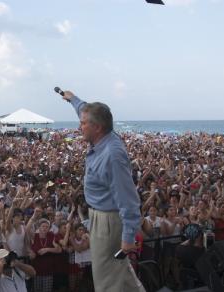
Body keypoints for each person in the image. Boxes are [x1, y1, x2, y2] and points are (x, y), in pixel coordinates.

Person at [62, 90, 145, 292]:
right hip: (102, 217)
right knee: (120, 276)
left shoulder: (112, 155)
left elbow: (129, 200)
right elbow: (84, 110)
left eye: (83, 124)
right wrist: (73, 99)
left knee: (108, 281)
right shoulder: (105, 135)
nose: (79, 127)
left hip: (108, 221)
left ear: (97, 127)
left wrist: (127, 238)